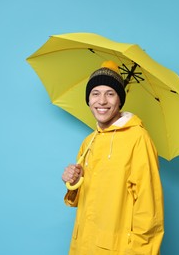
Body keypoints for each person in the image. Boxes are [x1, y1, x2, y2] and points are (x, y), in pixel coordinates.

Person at [62, 60, 164, 254]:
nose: (102, 101)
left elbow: (149, 209)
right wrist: (72, 183)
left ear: (120, 100)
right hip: (82, 247)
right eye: (95, 93)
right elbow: (84, 199)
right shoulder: (89, 141)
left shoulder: (138, 138)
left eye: (110, 94)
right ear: (88, 100)